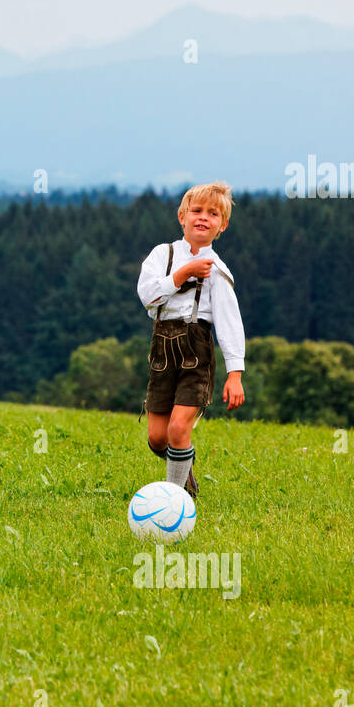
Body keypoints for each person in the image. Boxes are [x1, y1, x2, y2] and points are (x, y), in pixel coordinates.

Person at [136, 181, 245, 497]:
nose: (203, 217)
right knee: (158, 438)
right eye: (196, 211)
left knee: (178, 428)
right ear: (182, 216)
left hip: (196, 353)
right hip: (162, 352)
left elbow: (229, 323)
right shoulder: (162, 255)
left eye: (213, 214)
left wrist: (235, 374)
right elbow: (148, 298)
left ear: (222, 226)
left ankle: (176, 498)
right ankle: (184, 468)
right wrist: (184, 274)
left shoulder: (218, 271)